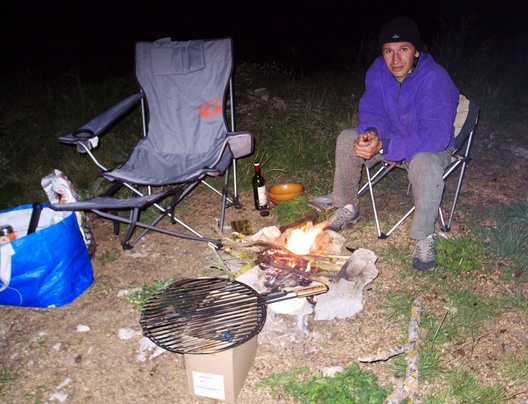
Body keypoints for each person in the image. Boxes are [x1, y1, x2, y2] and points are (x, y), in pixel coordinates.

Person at [327, 16, 459, 271]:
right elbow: (373, 109)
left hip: (430, 146)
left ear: (417, 51)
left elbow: (436, 136)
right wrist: (371, 134)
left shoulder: (434, 78)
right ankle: (347, 205)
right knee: (347, 139)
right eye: (388, 51)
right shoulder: (378, 71)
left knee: (423, 163)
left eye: (403, 50)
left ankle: (423, 236)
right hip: (390, 138)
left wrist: (386, 146)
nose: (395, 59)